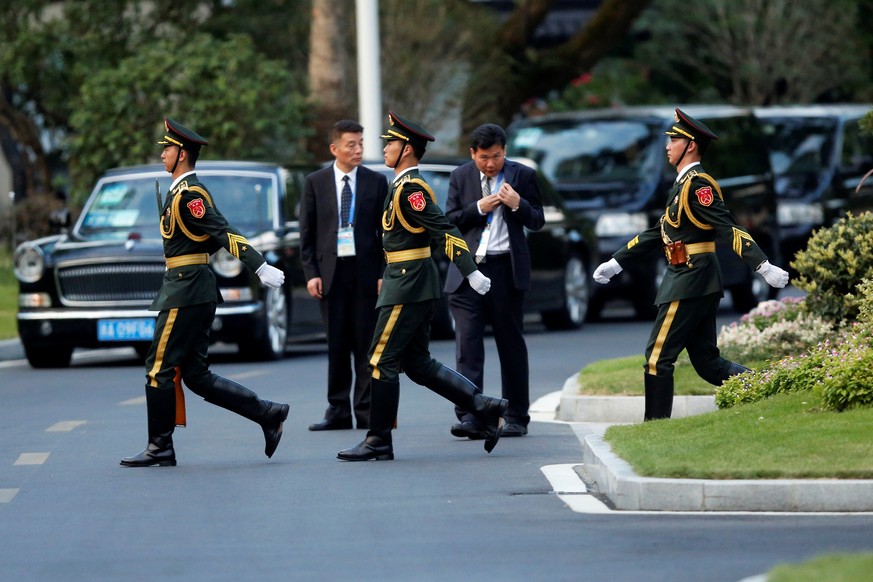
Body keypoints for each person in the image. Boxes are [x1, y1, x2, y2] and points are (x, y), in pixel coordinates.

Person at [593, 108, 790, 421]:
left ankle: (655, 429)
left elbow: (729, 227)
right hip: (692, 277)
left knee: (657, 358)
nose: (668, 145)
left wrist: (762, 265)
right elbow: (658, 231)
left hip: (690, 278)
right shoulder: (683, 185)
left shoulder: (699, 186)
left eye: (674, 139)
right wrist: (617, 262)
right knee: (708, 363)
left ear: (691, 145)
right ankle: (774, 389)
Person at [337, 112, 508, 461]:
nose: (385, 148)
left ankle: (378, 440)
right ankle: (484, 407)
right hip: (407, 281)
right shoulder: (400, 185)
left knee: (380, 359)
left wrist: (470, 271)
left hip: (408, 284)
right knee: (417, 363)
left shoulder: (411, 189)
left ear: (408, 150)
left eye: (391, 143)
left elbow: (444, 229)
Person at [121, 118, 290, 467]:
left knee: (158, 368)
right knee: (196, 376)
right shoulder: (180, 192)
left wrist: (258, 265)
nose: (163, 154)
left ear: (181, 154)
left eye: (167, 148)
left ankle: (160, 447)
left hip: (186, 291)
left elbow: (223, 231)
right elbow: (205, 240)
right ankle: (267, 413)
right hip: (188, 287)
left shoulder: (190, 195)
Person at [443, 123, 545, 439]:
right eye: (484, 157)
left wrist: (517, 203)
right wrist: (478, 208)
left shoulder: (523, 176)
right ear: (473, 154)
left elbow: (537, 219)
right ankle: (473, 414)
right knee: (468, 345)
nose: (490, 163)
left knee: (510, 343)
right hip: (468, 271)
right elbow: (448, 221)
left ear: (505, 151)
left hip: (505, 269)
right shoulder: (460, 176)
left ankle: (516, 416)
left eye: (497, 156)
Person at [300, 120, 388, 431]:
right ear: (334, 148)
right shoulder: (316, 182)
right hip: (330, 275)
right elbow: (307, 234)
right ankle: (337, 410)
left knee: (365, 344)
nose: (358, 149)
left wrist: (383, 272)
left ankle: (365, 411)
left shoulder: (376, 183)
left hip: (366, 274)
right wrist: (311, 273)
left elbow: (385, 233)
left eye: (361, 143)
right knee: (336, 345)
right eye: (351, 144)